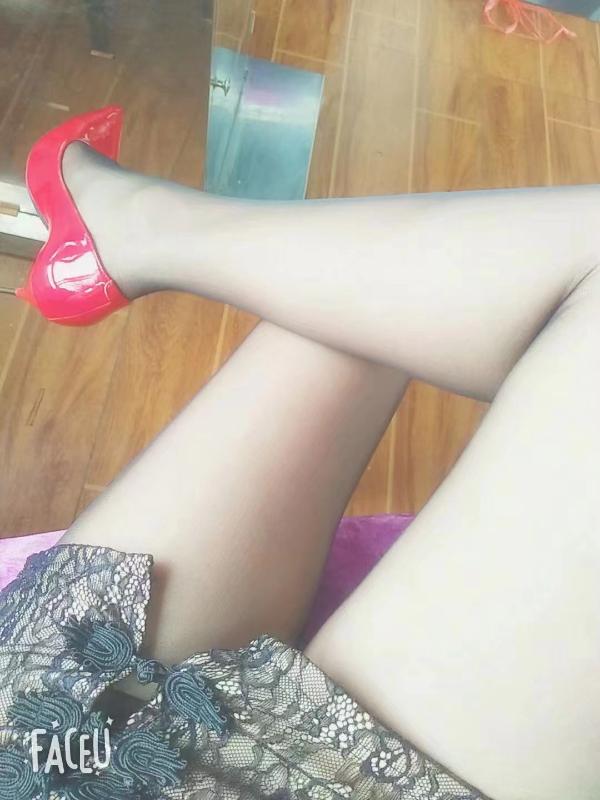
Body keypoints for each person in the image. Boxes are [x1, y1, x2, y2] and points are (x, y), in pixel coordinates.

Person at [2, 107, 600, 800]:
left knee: (360, 298)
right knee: (369, 293)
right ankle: (133, 234)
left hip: (48, 743)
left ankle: (132, 235)